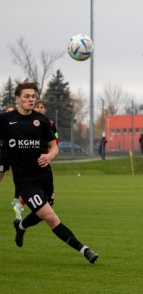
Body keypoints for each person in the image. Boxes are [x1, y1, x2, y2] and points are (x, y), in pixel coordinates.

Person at [0, 78, 98, 263]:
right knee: (51, 217)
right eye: (27, 96)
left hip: (44, 176)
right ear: (17, 98)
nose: (31, 99)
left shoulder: (42, 121)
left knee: (46, 210)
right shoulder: (6, 120)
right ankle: (85, 250)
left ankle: (21, 226)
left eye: (33, 96)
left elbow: (54, 148)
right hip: (25, 182)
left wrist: (49, 156)